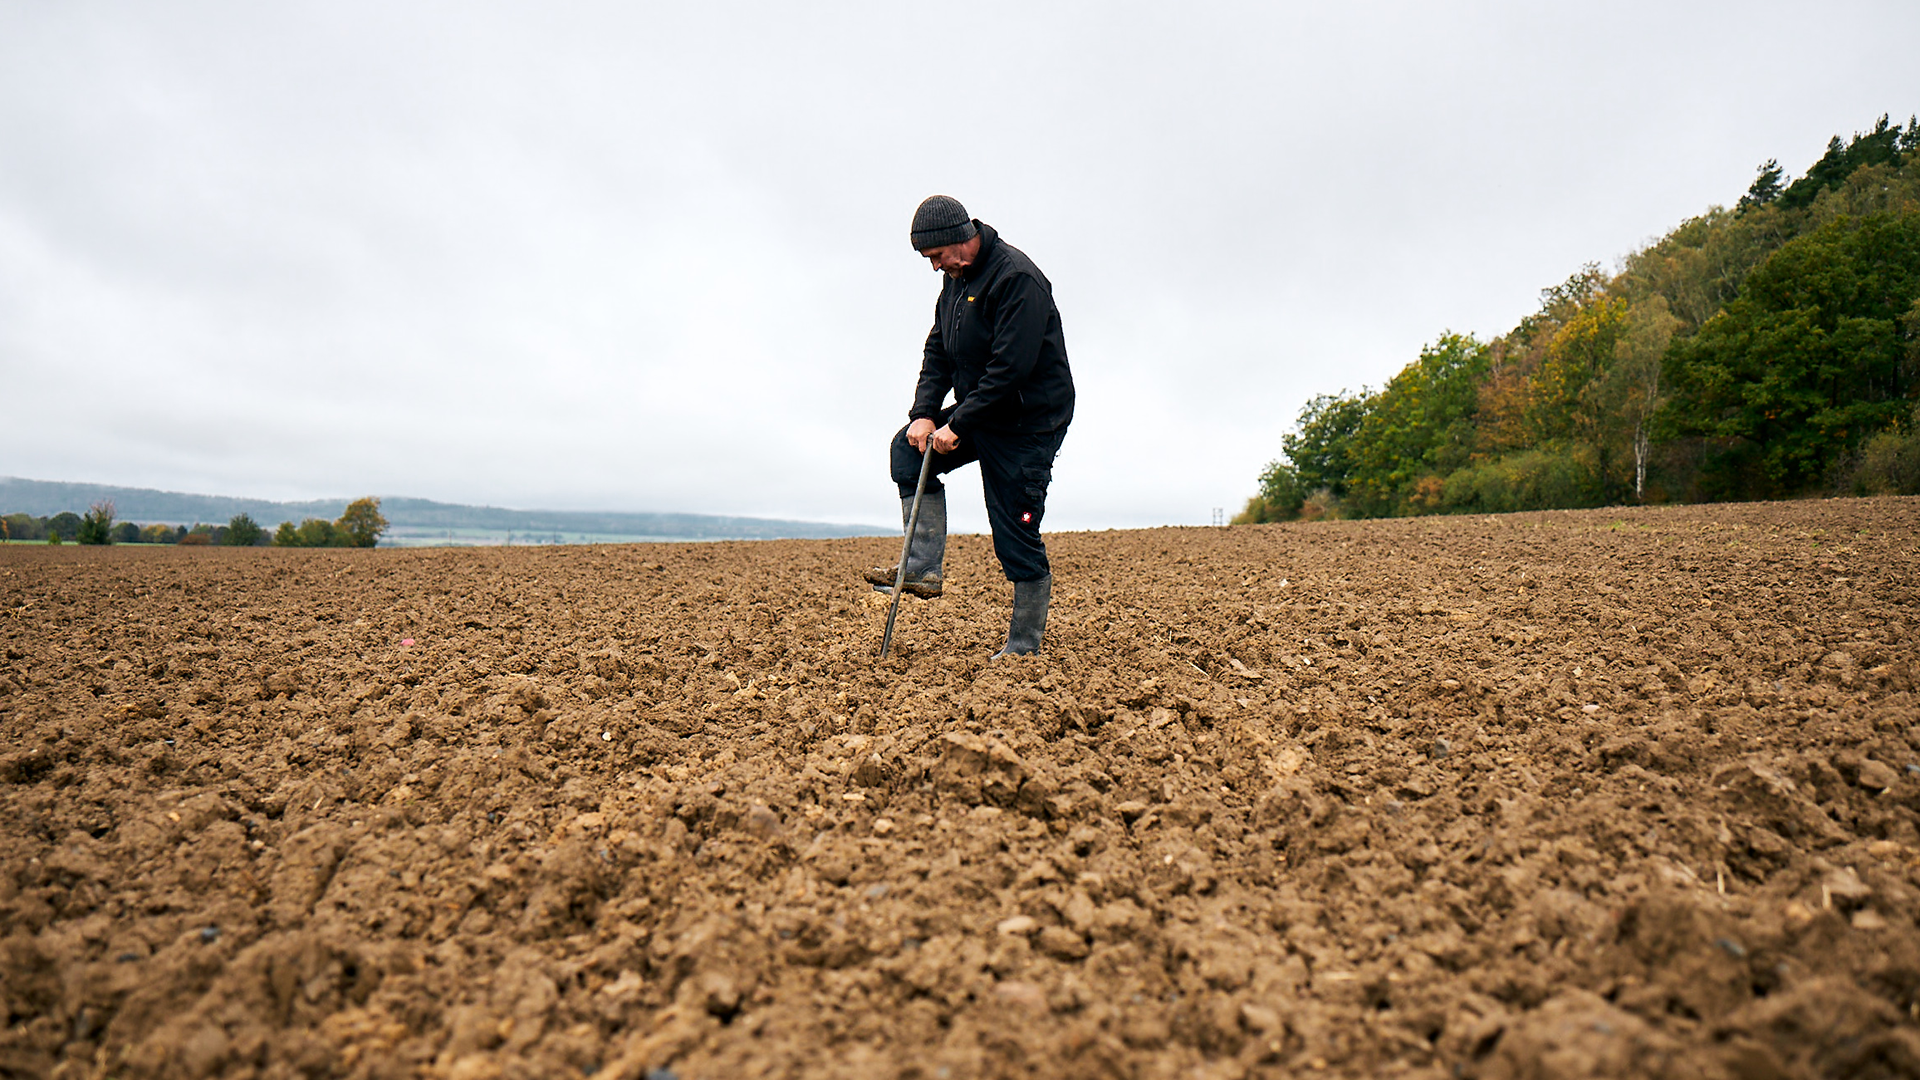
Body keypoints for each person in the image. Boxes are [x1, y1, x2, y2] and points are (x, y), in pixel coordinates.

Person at [866, 195, 1075, 658]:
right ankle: (921, 568)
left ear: (960, 241)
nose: (936, 268)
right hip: (982, 410)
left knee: (1015, 524)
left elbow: (1010, 370)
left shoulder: (1017, 279)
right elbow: (939, 350)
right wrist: (924, 413)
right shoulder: (956, 282)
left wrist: (958, 422)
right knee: (907, 449)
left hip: (1027, 420)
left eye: (937, 257)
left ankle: (1023, 645)